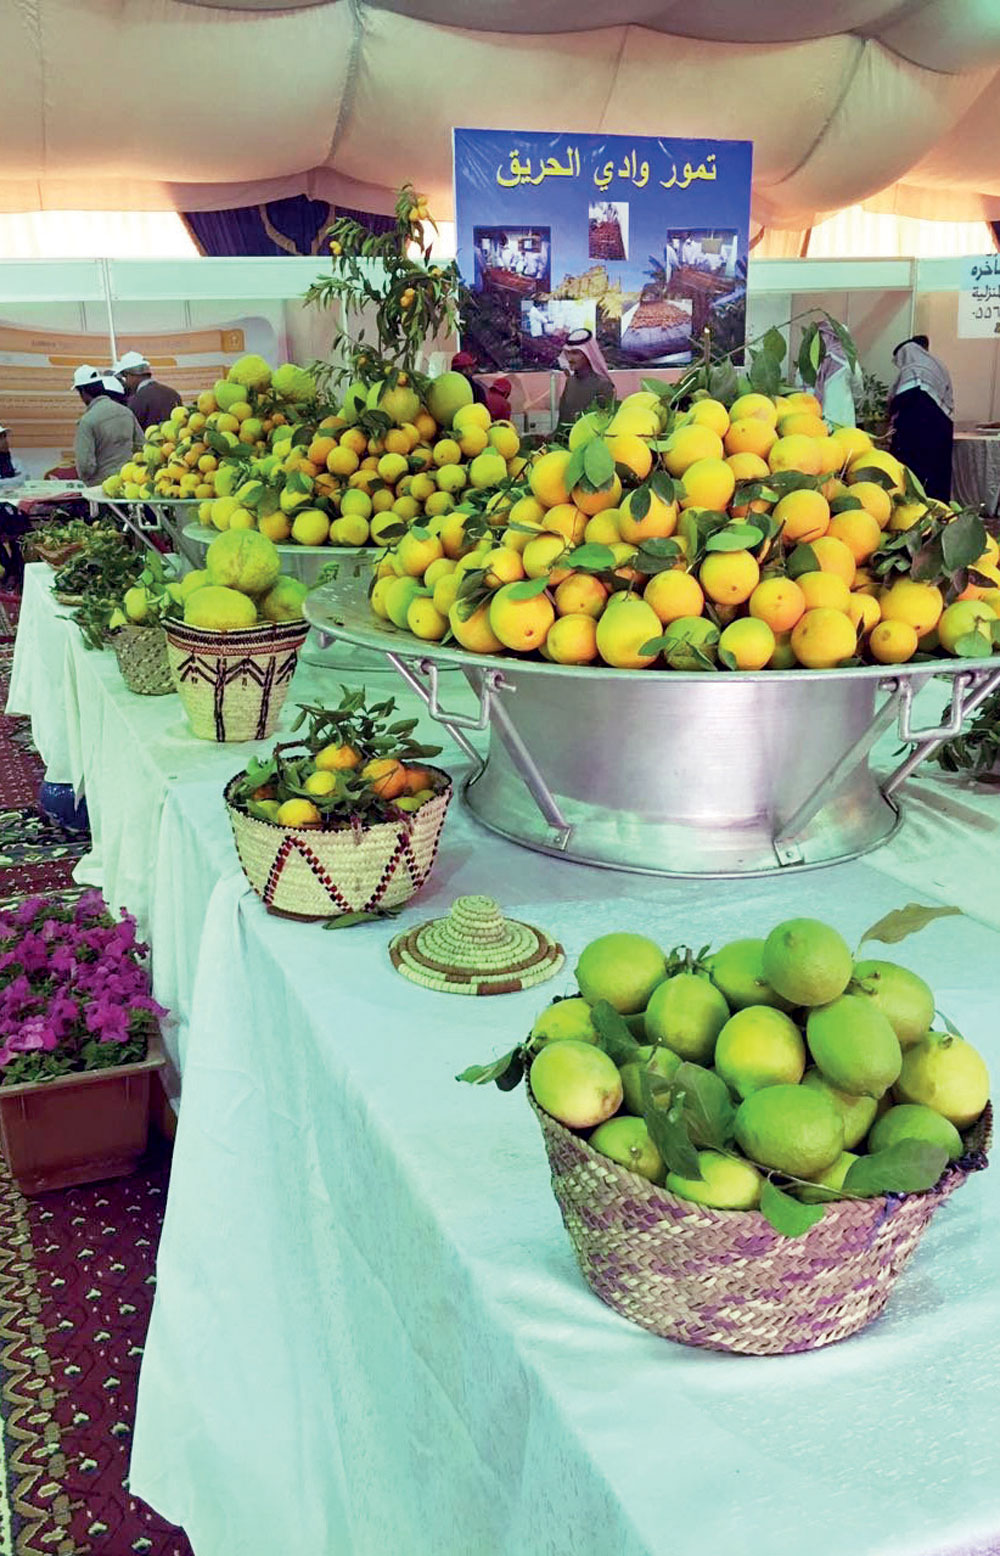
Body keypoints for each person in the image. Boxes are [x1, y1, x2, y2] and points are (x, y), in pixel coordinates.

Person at [888, 335, 954, 500]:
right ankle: (940, 509)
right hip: (942, 425)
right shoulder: (938, 365)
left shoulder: (912, 368)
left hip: (918, 428)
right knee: (937, 470)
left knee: (914, 472)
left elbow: (903, 397)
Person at [72, 364, 143, 486]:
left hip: (101, 489)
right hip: (129, 484)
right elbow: (142, 446)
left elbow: (85, 466)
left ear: (82, 391)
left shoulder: (87, 421)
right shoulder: (126, 412)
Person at [557, 328, 614, 425]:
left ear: (588, 355)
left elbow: (604, 424)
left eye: (575, 353)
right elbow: (562, 422)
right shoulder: (570, 382)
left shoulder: (603, 385)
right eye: (568, 353)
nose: (570, 358)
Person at [113, 349, 181, 431]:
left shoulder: (137, 399)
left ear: (131, 375)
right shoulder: (173, 393)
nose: (126, 382)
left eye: (125, 377)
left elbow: (133, 432)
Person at [813, 320, 864, 429]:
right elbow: (858, 390)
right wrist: (857, 406)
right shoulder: (848, 362)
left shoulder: (807, 362)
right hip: (841, 419)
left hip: (812, 424)